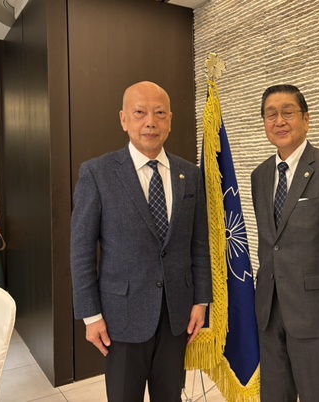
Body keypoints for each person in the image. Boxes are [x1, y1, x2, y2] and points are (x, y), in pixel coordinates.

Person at [70, 81, 212, 402]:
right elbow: (81, 251)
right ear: (124, 119)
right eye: (140, 113)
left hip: (176, 316)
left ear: (170, 120)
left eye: (159, 113)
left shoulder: (189, 174)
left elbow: (198, 244)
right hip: (121, 317)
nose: (150, 122)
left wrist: (201, 300)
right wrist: (91, 316)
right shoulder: (98, 173)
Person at [251, 84, 319, 402]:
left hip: (316, 313)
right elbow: (272, 243)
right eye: (271, 114)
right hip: (269, 311)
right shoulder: (259, 175)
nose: (279, 121)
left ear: (306, 119)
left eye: (288, 112)